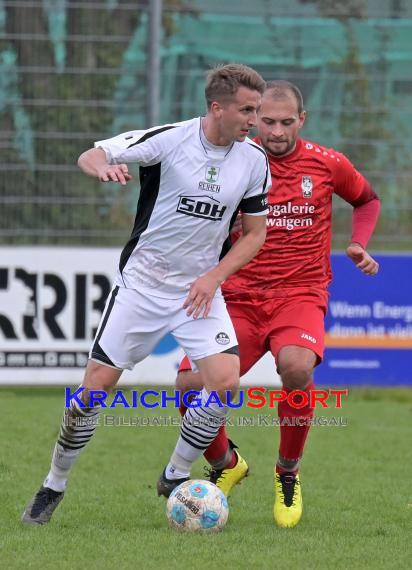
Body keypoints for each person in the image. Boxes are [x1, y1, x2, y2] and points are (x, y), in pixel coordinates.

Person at [21, 63, 271, 525]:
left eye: (256, 110)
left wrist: (214, 277)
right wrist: (102, 168)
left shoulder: (253, 161)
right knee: (93, 391)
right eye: (247, 110)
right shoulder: (171, 139)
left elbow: (255, 234)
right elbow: (92, 153)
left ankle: (175, 474)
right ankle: (52, 485)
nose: (254, 120)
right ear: (217, 107)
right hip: (142, 286)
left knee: (225, 380)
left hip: (199, 291)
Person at [175, 80, 380, 528]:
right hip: (239, 298)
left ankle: (287, 472)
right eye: (267, 121)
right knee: (189, 386)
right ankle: (228, 462)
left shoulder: (327, 163)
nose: (277, 131)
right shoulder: (234, 160)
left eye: (287, 122)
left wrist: (359, 244)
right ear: (253, 118)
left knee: (297, 368)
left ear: (301, 121)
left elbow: (366, 200)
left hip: (299, 294)